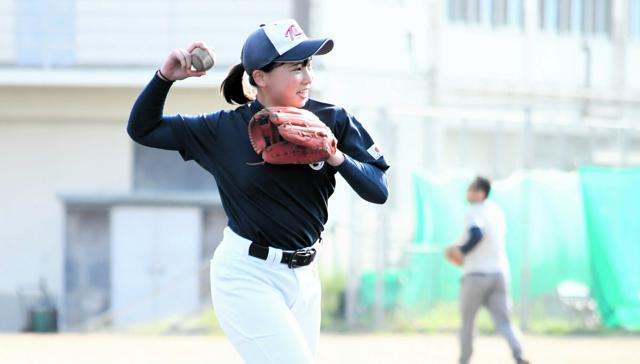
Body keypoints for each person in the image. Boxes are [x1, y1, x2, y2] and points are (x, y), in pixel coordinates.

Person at [127, 19, 390, 363]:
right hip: (247, 275)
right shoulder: (222, 130)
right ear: (260, 76)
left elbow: (378, 190)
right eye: (295, 67)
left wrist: (335, 156)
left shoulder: (331, 120)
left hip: (306, 277)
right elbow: (143, 130)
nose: (307, 78)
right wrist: (164, 79)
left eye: (308, 65)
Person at [445, 176, 529, 364]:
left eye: (472, 189)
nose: (469, 193)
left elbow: (477, 234)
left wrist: (460, 250)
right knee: (504, 322)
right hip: (499, 273)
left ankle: (464, 360)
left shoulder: (474, 211)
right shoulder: (497, 211)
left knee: (468, 323)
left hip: (475, 274)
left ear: (481, 193)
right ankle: (519, 355)